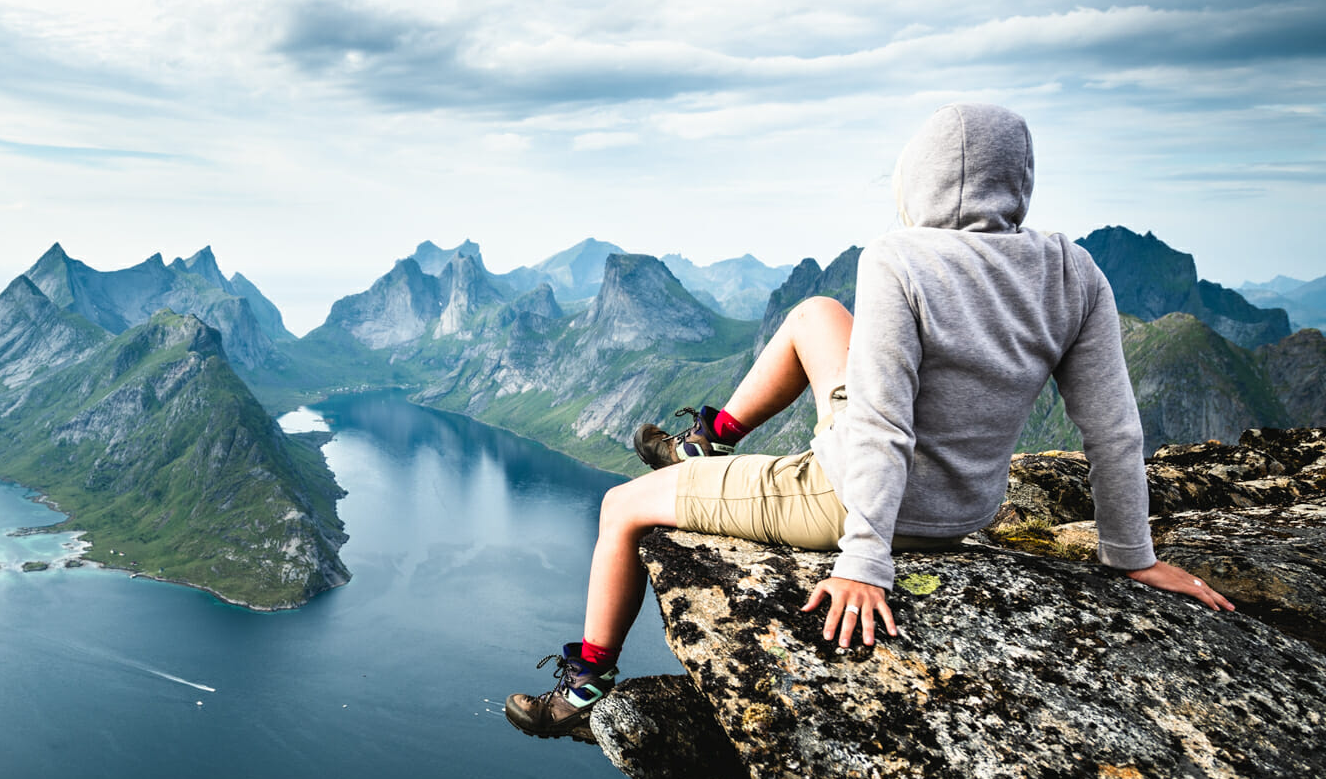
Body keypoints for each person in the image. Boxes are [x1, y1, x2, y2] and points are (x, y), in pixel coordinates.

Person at [506, 103, 1235, 741]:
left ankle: (585, 685)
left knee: (618, 508)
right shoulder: (1074, 271)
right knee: (816, 315)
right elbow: (1113, 430)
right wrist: (1130, 555)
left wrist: (863, 561)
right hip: (962, 509)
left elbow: (883, 422)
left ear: (915, 179)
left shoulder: (900, 257)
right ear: (1019, 179)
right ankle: (708, 440)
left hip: (849, 492)